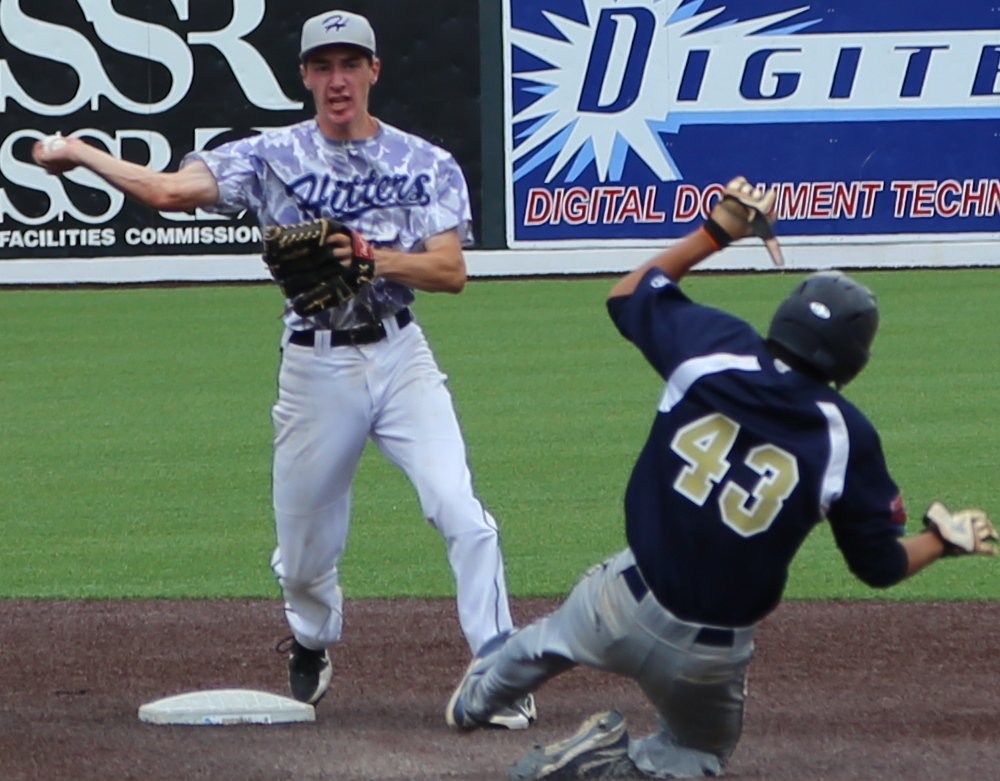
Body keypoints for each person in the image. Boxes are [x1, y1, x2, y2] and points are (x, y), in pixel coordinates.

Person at [32, 8, 537, 729]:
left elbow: (451, 271)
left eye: (350, 63)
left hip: (401, 357)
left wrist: (372, 258)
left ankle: (501, 669)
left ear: (374, 71)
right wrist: (82, 152)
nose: (338, 79)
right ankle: (311, 635)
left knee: (463, 511)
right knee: (303, 558)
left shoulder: (424, 162)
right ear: (304, 75)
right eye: (323, 65)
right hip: (314, 369)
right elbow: (168, 192)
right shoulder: (268, 156)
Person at [444, 177, 998, 779]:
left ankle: (479, 699)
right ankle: (607, 767)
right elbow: (879, 566)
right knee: (696, 753)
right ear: (852, 360)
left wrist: (717, 232)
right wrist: (944, 541)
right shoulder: (845, 435)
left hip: (619, 600)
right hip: (703, 655)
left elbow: (627, 295)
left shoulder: (714, 346)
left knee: (543, 642)